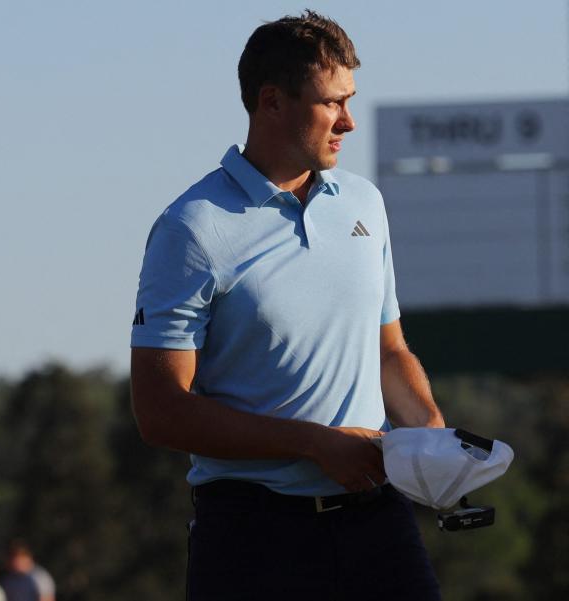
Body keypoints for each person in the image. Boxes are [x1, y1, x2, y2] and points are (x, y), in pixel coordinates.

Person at [129, 10, 445, 601]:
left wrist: (427, 434)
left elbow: (388, 348)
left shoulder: (364, 202)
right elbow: (160, 411)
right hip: (252, 533)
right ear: (271, 101)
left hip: (377, 521)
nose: (349, 121)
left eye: (350, 100)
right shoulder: (190, 229)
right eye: (332, 104)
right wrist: (314, 442)